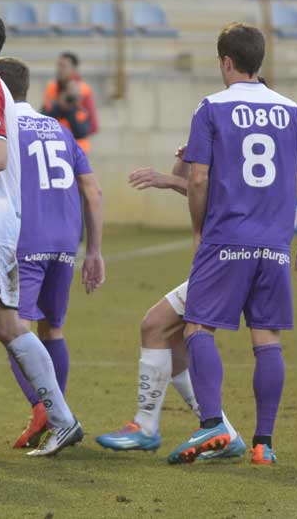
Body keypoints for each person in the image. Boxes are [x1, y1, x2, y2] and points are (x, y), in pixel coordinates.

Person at [167, 23, 297, 466]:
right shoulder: (290, 110)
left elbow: (197, 178)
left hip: (227, 236)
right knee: (266, 337)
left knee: (198, 327)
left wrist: (199, 230)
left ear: (226, 62)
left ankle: (213, 423)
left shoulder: (212, 107)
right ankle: (263, 444)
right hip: (274, 242)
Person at [94, 146, 245, 459]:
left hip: (230, 257)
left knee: (158, 325)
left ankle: (147, 427)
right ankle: (223, 432)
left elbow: (209, 189)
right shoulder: (225, 125)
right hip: (228, 256)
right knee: (166, 338)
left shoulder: (233, 136)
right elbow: (186, 180)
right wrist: (185, 157)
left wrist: (167, 179)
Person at [0, 56, 104, 456]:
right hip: (64, 243)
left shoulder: (2, 130)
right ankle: (53, 415)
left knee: (14, 331)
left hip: (25, 239)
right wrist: (94, 251)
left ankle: (49, 412)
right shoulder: (58, 128)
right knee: (51, 330)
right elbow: (92, 191)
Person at [42, 52, 98, 154]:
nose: (59, 69)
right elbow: (43, 117)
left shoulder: (84, 90)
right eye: (59, 65)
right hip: (54, 145)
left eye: (64, 66)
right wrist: (59, 104)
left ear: (74, 69)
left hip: (77, 148)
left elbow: (93, 126)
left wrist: (72, 109)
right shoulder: (52, 87)